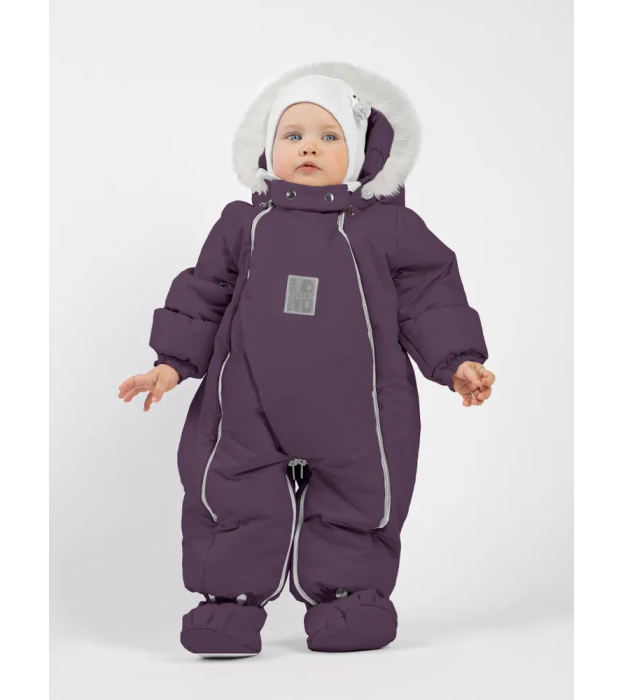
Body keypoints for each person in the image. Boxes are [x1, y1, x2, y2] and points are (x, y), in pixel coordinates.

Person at [118, 62, 496, 657]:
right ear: (268, 149)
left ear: (361, 155)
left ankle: (349, 599)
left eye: (329, 136)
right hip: (247, 402)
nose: (309, 147)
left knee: (362, 496)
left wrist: (457, 361)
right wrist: (171, 363)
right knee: (230, 492)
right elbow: (202, 293)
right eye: (293, 135)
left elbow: (430, 296)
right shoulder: (243, 225)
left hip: (360, 407)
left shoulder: (388, 228)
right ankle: (228, 606)